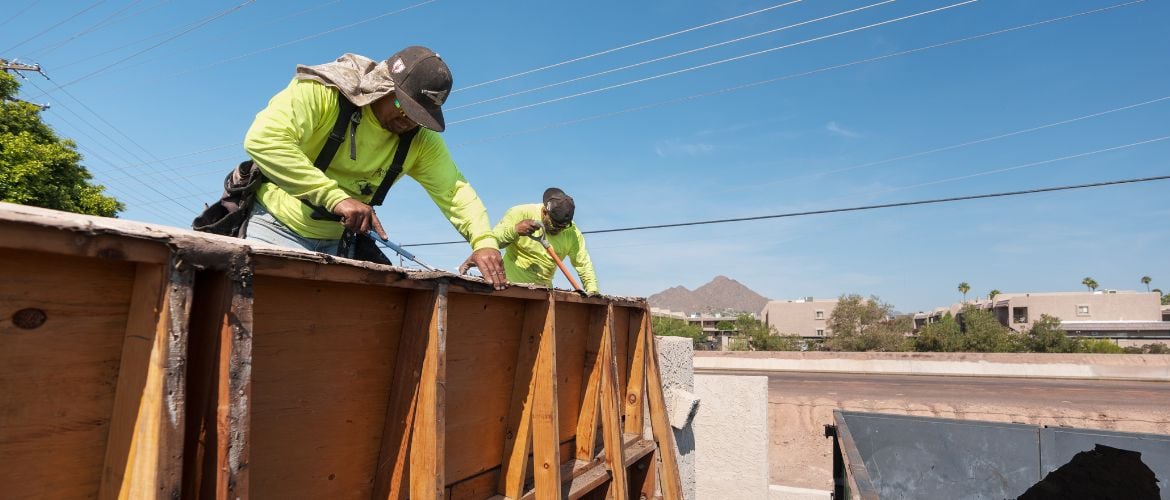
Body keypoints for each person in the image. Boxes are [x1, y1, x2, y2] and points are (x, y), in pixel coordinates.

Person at [241, 46, 507, 289]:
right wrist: (336, 198)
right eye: (404, 106)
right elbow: (265, 139)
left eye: (419, 116)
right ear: (384, 86)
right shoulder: (325, 93)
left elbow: (455, 191)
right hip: (275, 226)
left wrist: (484, 242)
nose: (408, 121)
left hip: (339, 245)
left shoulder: (421, 142)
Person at [463, 187, 599, 294]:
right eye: (554, 225)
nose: (558, 230)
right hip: (510, 289)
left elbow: (583, 263)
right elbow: (492, 242)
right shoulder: (519, 213)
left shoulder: (572, 232)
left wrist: (593, 291)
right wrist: (515, 230)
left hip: (543, 292)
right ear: (545, 212)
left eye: (563, 227)